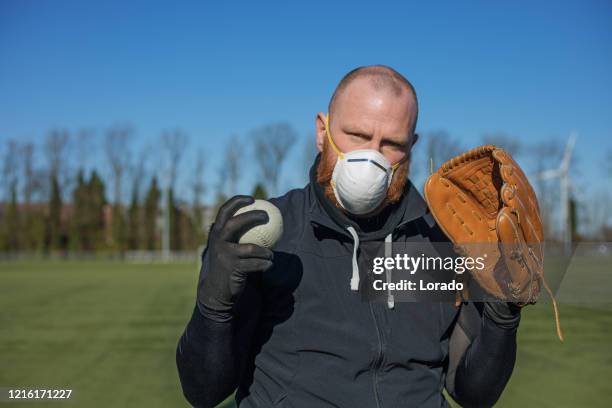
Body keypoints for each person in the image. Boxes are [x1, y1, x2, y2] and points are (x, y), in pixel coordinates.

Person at [177, 65, 521, 408]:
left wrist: (501, 319)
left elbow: (473, 394)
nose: (371, 157)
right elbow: (203, 391)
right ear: (322, 130)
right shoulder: (267, 238)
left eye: (391, 144)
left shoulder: (441, 242)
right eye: (357, 135)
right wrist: (214, 307)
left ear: (412, 146)